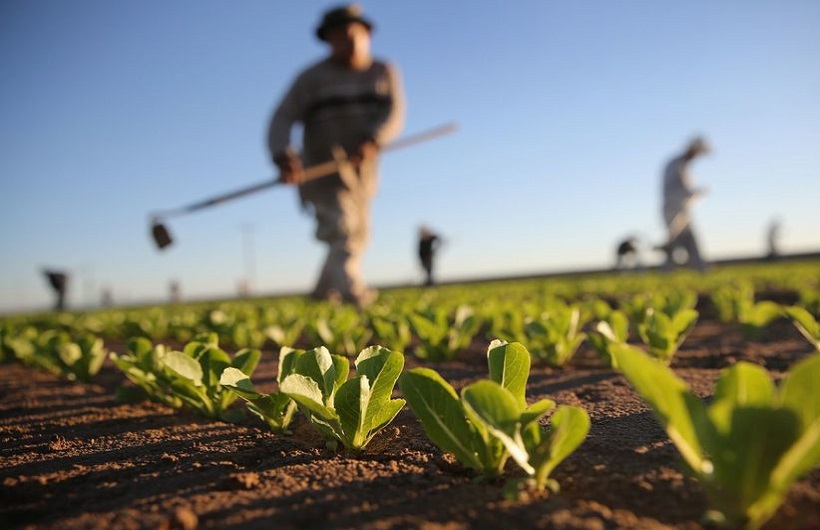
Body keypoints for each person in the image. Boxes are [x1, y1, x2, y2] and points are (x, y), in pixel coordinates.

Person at [267, 4, 405, 307]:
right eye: (341, 36)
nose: (350, 41)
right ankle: (354, 296)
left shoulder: (383, 72)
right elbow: (281, 118)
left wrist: (373, 138)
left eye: (355, 34)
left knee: (357, 234)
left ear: (367, 34)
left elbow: (393, 112)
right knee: (342, 231)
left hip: (363, 172)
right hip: (321, 169)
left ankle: (320, 295)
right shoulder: (311, 79)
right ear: (329, 40)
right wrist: (282, 154)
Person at [659, 137, 710, 271]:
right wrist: (696, 192)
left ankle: (701, 269)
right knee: (674, 244)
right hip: (673, 210)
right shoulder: (676, 165)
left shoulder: (683, 166)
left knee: (690, 242)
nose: (697, 157)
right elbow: (674, 190)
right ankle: (667, 273)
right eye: (697, 153)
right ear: (692, 149)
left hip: (682, 211)